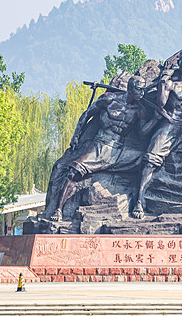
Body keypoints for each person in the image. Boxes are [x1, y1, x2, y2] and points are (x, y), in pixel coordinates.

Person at [46, 76, 156, 222]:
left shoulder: (139, 109)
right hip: (99, 145)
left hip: (119, 150)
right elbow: (86, 114)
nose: (142, 92)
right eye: (139, 88)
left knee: (147, 161)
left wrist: (155, 119)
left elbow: (142, 133)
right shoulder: (109, 99)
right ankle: (58, 210)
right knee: (73, 172)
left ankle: (139, 203)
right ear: (130, 88)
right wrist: (75, 136)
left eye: (143, 89)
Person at [132, 50, 182, 218]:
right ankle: (139, 200)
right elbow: (161, 103)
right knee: (150, 159)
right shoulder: (170, 83)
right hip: (169, 125)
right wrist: (163, 82)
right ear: (179, 63)